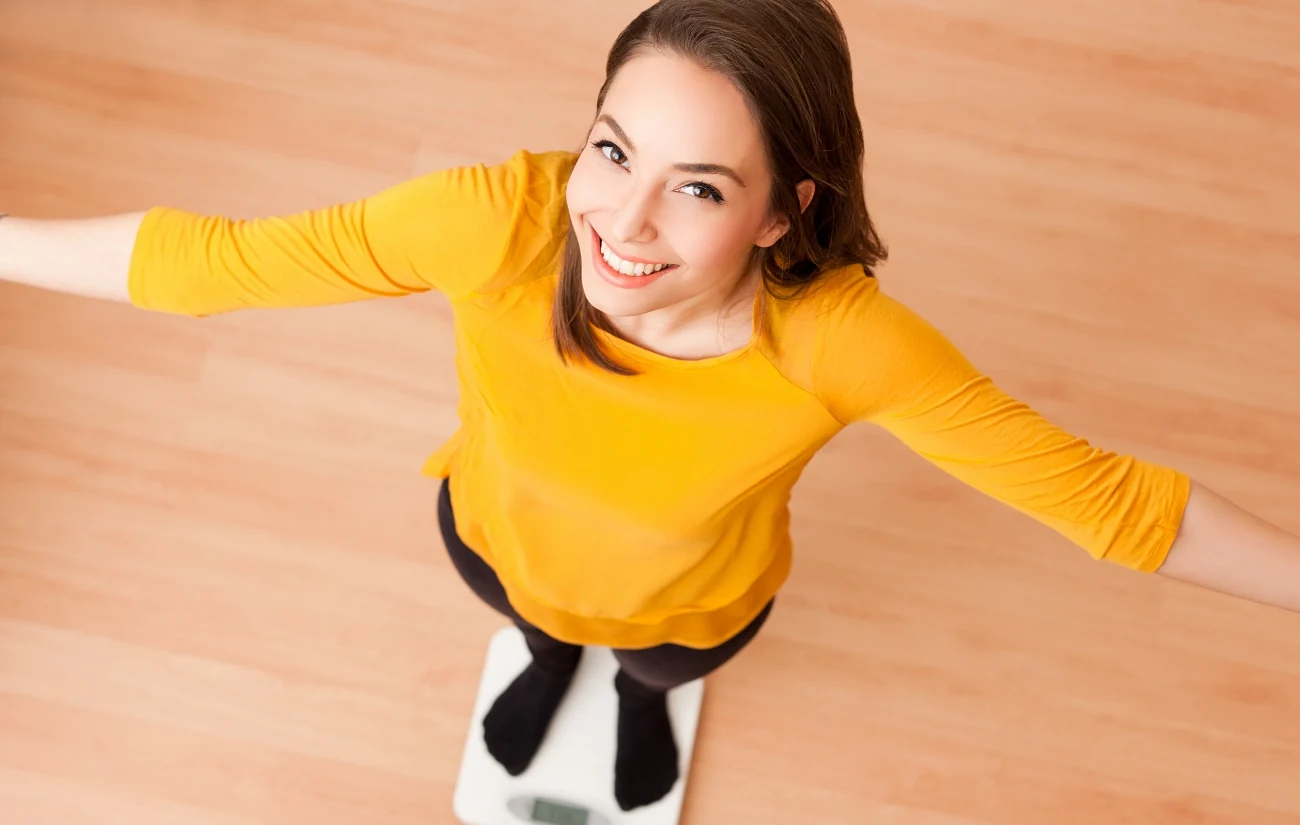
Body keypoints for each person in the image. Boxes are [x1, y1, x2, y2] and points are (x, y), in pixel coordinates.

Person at [2, 0, 1299, 813]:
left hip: (691, 611)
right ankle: (549, 656)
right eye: (613, 150)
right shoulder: (497, 218)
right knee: (529, 619)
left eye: (696, 187)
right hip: (495, 539)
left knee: (650, 670)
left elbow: (1121, 507)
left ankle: (631, 698)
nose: (616, 225)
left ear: (786, 208)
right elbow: (205, 264)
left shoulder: (841, 343)